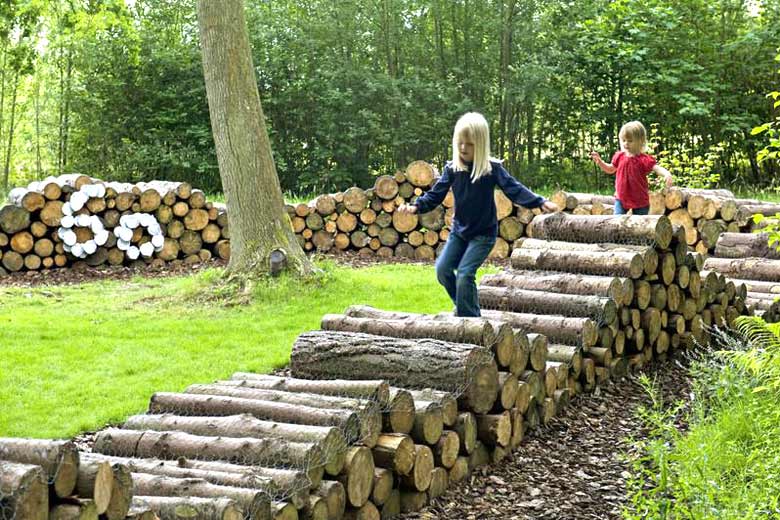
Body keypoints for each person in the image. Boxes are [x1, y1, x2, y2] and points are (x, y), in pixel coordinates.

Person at [397, 112, 557, 317]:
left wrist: (539, 201)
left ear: (480, 145)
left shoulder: (491, 169)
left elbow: (513, 188)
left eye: (470, 144)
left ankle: (469, 318)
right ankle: (467, 309)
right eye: (460, 143)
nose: (464, 148)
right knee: (443, 271)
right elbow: (435, 195)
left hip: (483, 234)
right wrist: (415, 207)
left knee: (464, 275)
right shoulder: (452, 169)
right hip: (459, 232)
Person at [589, 120, 673, 215]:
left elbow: (656, 168)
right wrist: (600, 162)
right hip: (621, 198)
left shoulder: (643, 159)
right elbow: (610, 169)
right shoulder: (619, 156)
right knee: (617, 221)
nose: (626, 144)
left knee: (639, 224)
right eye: (624, 140)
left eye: (630, 141)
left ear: (640, 141)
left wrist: (666, 173)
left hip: (640, 200)